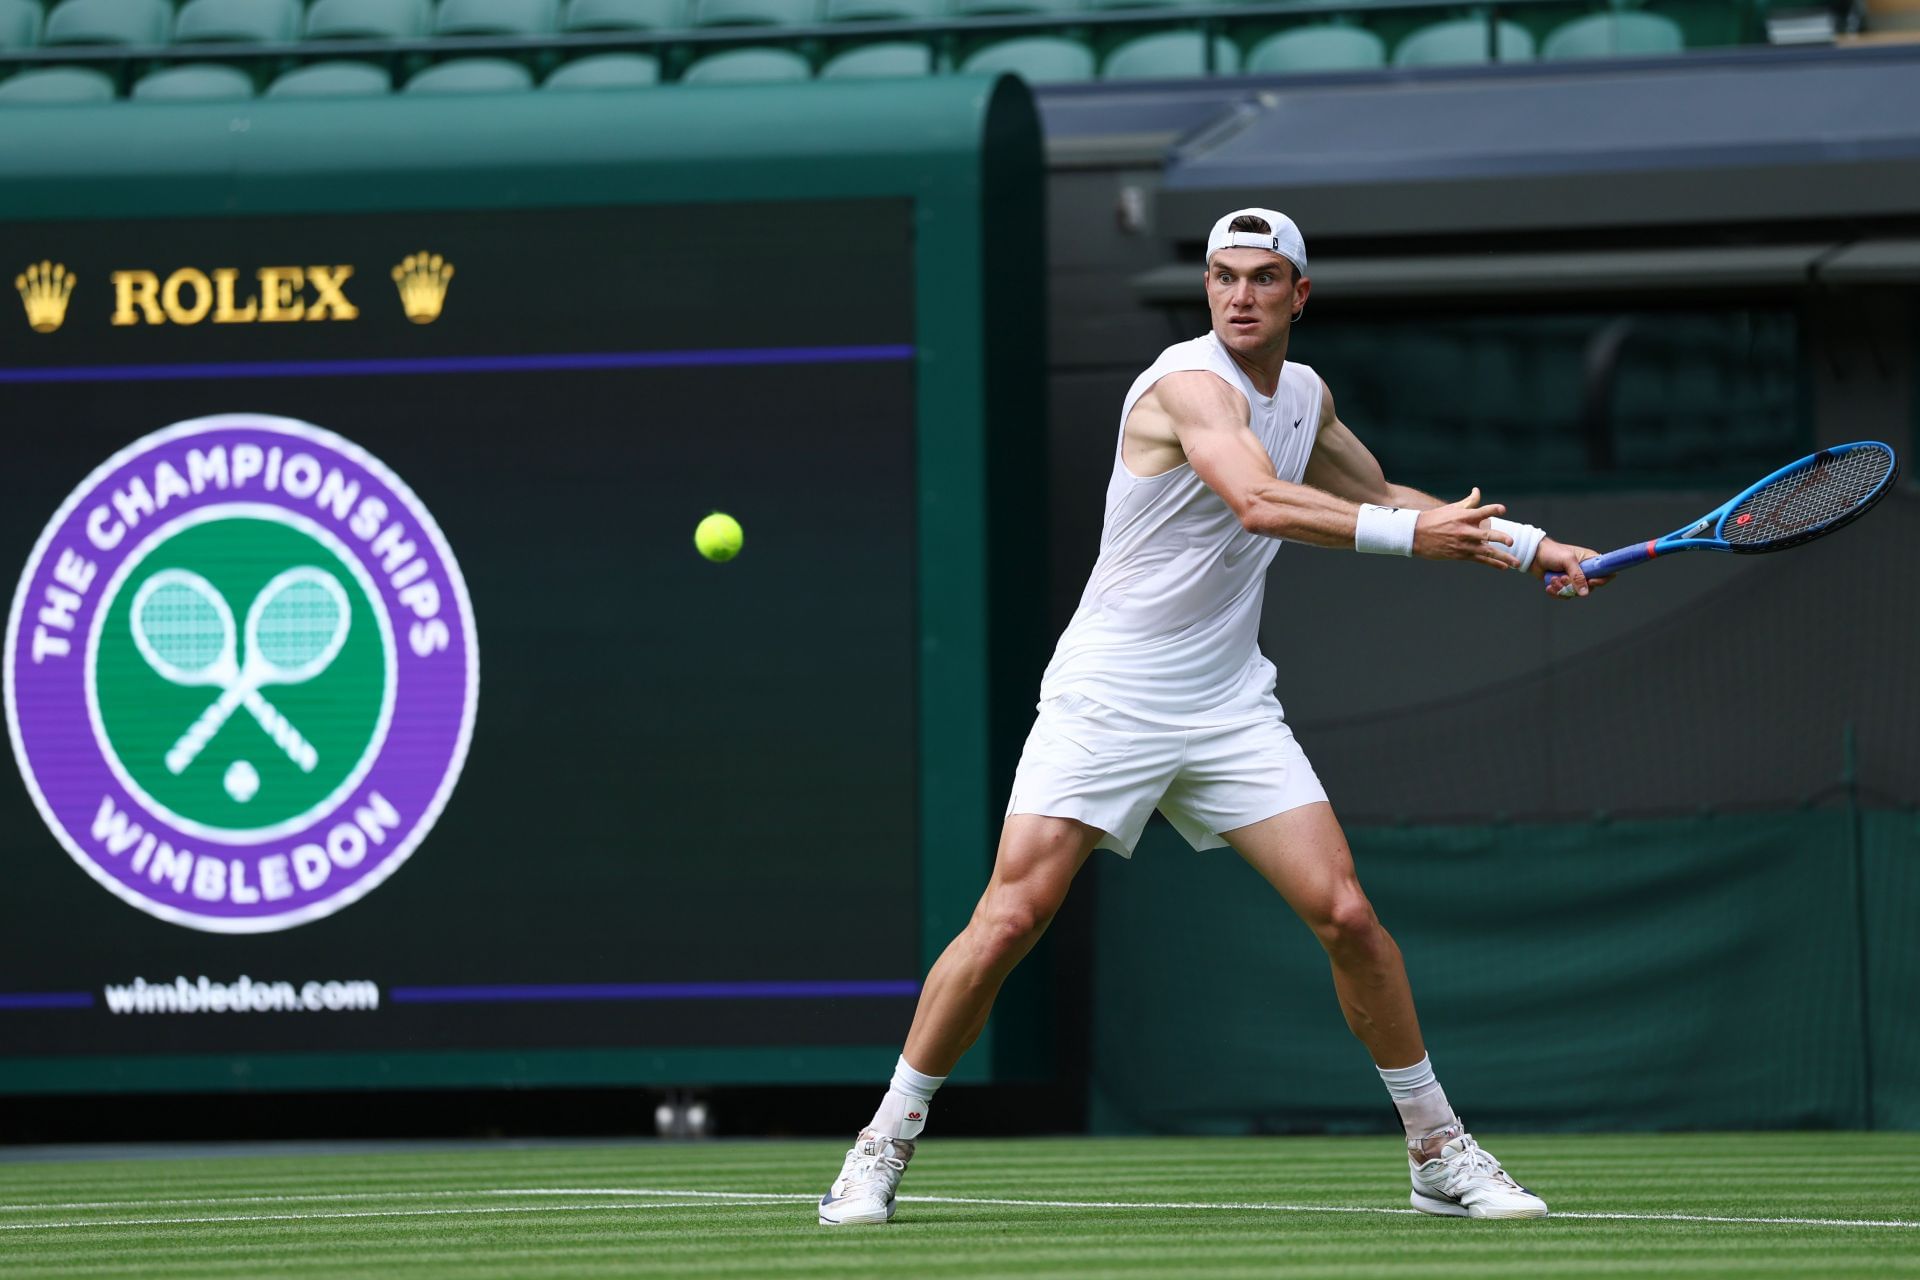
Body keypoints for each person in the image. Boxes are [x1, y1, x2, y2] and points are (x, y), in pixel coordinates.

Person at [819, 207, 1607, 1226]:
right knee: (1012, 914)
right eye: (1223, 276)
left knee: (1349, 916)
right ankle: (882, 1139)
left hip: (1228, 701)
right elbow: (1262, 503)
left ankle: (1436, 1148)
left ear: (1299, 295)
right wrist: (1417, 539)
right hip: (1109, 694)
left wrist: (1530, 546)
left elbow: (1378, 491)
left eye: (1263, 278)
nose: (1240, 294)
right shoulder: (1187, 384)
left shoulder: (1306, 394)